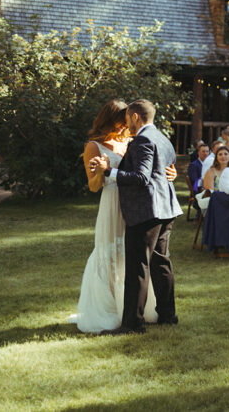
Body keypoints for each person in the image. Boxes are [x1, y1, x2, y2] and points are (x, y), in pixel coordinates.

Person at [72, 100, 177, 333]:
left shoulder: (135, 140)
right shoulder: (94, 146)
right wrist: (101, 172)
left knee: (137, 262)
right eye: (121, 122)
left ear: (134, 117)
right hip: (115, 204)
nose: (124, 127)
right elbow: (93, 186)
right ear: (111, 120)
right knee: (127, 258)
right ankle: (118, 309)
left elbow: (149, 170)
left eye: (126, 120)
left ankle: (134, 318)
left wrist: (171, 172)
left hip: (139, 207)